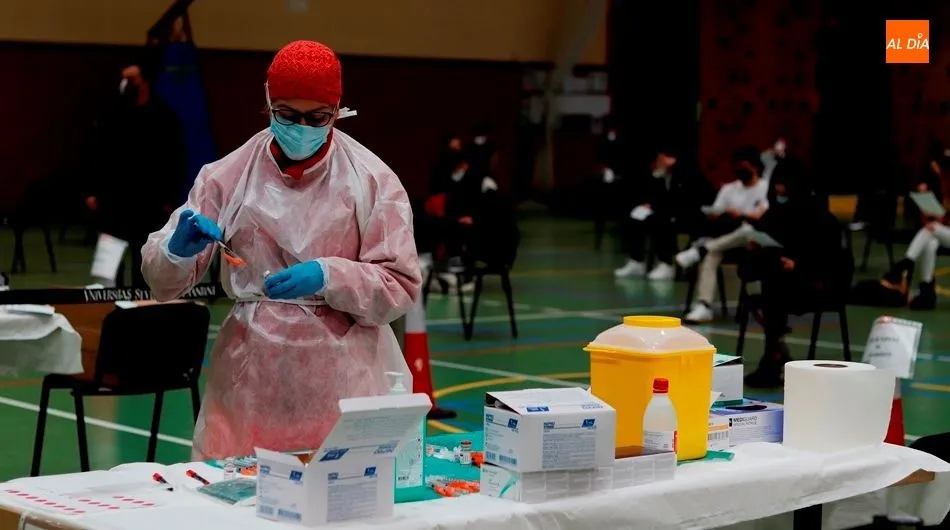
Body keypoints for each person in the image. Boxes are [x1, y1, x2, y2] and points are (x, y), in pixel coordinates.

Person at [140, 40, 421, 460]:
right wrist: (177, 251)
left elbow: (399, 285)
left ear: (338, 110)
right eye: (288, 115)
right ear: (268, 102)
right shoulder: (228, 176)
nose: (301, 127)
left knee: (341, 507)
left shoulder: (372, 181)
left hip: (344, 382)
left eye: (317, 117)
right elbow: (162, 283)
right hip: (251, 378)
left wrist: (329, 276)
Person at [740, 171, 852, 387]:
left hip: (816, 284)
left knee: (774, 289)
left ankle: (774, 353)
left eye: (784, 186)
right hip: (782, 282)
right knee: (772, 280)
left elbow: (831, 258)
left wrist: (799, 265)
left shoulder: (820, 216)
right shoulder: (774, 214)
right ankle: (775, 350)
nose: (779, 192)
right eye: (777, 186)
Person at [85, 63, 186, 287]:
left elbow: (176, 159)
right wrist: (93, 190)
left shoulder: (164, 116)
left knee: (145, 265)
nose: (125, 85)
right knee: (107, 269)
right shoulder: (111, 114)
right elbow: (96, 153)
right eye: (123, 80)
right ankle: (109, 308)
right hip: (114, 202)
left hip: (150, 203)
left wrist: (170, 198)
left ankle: (142, 310)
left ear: (145, 82)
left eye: (131, 80)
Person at [675, 146, 770, 323]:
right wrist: (723, 214)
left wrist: (741, 214)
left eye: (745, 166)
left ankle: (698, 250)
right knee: (712, 254)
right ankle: (704, 305)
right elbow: (715, 212)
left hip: (752, 241)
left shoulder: (765, 188)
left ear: (755, 167)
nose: (740, 170)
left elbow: (762, 215)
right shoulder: (729, 189)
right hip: (726, 237)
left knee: (747, 230)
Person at [615, 148, 688, 280]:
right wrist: (649, 204)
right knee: (634, 219)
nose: (659, 162)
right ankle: (637, 261)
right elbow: (656, 197)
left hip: (683, 214)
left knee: (661, 222)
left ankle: (666, 264)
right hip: (663, 212)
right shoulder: (659, 176)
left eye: (662, 159)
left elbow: (681, 199)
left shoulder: (683, 175)